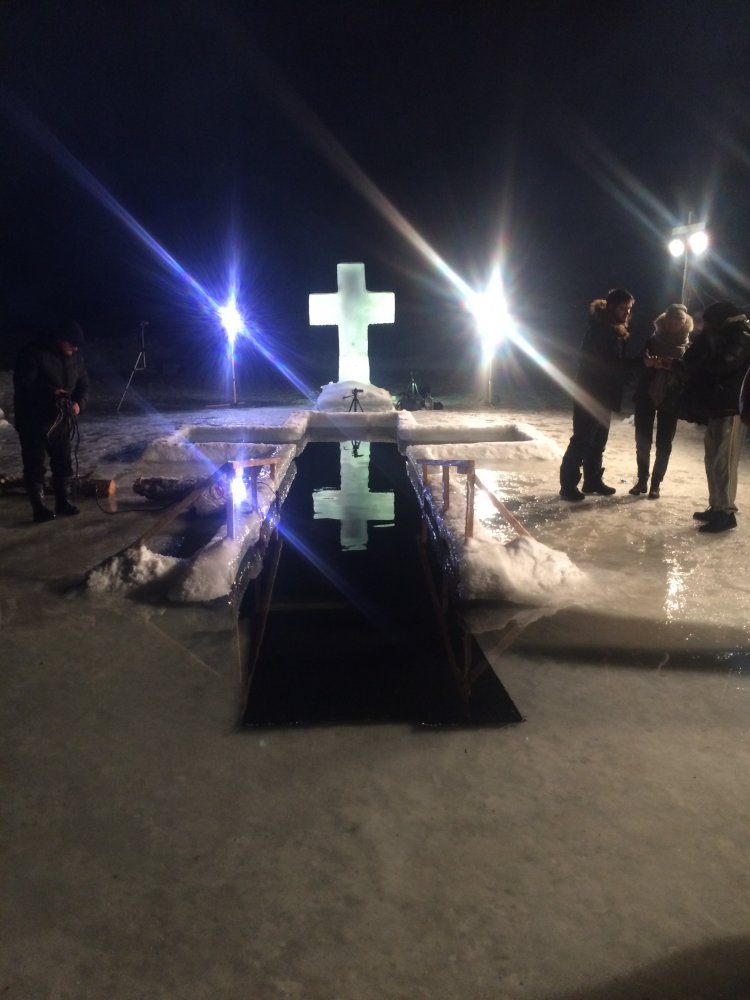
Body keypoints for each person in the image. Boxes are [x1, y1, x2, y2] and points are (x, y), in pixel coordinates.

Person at [559, 288, 635, 501]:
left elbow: (614, 367)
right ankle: (568, 485)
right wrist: (639, 364)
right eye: (623, 308)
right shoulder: (600, 331)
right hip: (590, 393)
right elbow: (608, 365)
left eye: (629, 309)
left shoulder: (614, 330)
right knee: (582, 439)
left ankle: (592, 481)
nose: (627, 313)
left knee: (598, 440)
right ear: (611, 307)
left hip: (604, 394)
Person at [681, 300, 750, 533]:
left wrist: (703, 356)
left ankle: (726, 512)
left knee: (724, 461)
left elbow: (724, 365)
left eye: (708, 322)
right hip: (717, 405)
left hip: (732, 407)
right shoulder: (721, 336)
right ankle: (717, 505)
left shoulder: (741, 336)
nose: (705, 326)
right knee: (712, 458)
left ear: (720, 321)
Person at [13, 320, 90, 523]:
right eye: (72, 344)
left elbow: (83, 384)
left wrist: (78, 403)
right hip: (32, 419)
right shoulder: (33, 353)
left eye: (77, 345)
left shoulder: (76, 357)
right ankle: (38, 507)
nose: (75, 349)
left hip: (61, 419)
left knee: (63, 461)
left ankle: (62, 501)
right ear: (59, 339)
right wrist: (51, 393)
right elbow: (24, 386)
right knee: (34, 464)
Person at [628, 303, 692, 499]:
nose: (671, 327)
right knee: (642, 440)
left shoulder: (688, 347)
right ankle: (642, 480)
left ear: (683, 324)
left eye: (676, 323)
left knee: (664, 444)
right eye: (668, 322)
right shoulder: (652, 341)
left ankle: (656, 483)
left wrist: (673, 366)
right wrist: (650, 364)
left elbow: (691, 373)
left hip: (671, 398)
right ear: (663, 321)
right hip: (646, 395)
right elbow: (638, 365)